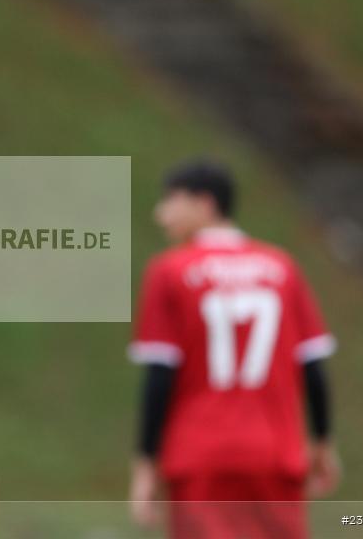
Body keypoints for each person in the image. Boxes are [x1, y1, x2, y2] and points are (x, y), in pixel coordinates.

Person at [128, 161, 341, 539]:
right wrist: (322, 442)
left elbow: (160, 377)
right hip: (276, 454)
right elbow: (313, 368)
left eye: (172, 201)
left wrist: (146, 463)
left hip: (201, 454)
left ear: (205, 204)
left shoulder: (170, 271)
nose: (161, 213)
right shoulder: (282, 267)